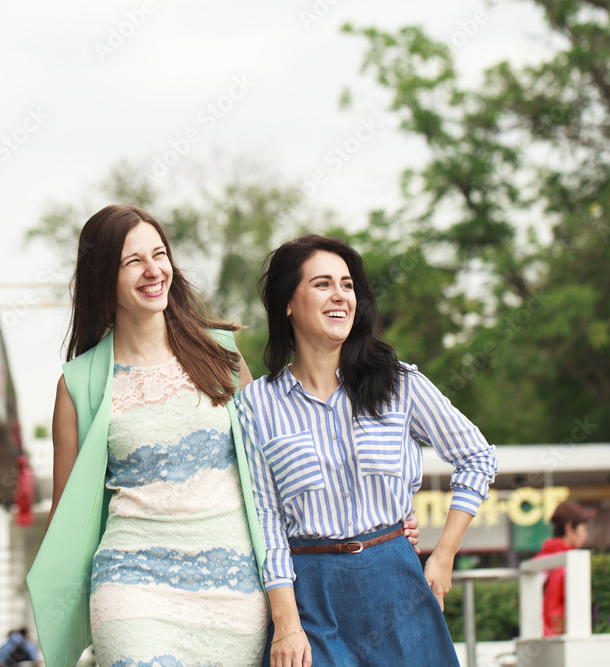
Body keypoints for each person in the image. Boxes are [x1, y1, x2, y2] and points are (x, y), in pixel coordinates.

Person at [25, 204, 271, 667]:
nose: (154, 270)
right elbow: (66, 515)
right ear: (104, 278)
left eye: (159, 254)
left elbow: (268, 465)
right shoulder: (78, 384)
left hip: (234, 587)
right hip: (131, 584)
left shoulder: (223, 356)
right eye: (132, 261)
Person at [237, 234, 499, 666]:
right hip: (311, 597)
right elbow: (265, 521)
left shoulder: (397, 383)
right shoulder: (256, 405)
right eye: (322, 284)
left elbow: (477, 457)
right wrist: (286, 624)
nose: (340, 295)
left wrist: (444, 555)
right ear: (287, 302)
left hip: (398, 582)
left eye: (347, 284)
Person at [534, 500, 595, 637]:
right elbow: (555, 613)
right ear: (569, 528)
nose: (586, 535)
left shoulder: (538, 560)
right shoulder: (568, 563)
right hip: (558, 643)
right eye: (583, 529)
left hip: (535, 639)